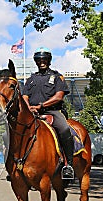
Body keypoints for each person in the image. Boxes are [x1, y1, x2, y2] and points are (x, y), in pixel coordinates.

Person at [22, 47, 74, 179]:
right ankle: (17, 165)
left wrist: (40, 106)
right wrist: (29, 108)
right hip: (32, 112)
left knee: (64, 129)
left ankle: (68, 165)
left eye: (44, 59)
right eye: (39, 60)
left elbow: (59, 96)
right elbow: (24, 96)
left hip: (52, 111)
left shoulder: (57, 77)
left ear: (49, 60)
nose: (41, 62)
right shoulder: (31, 79)